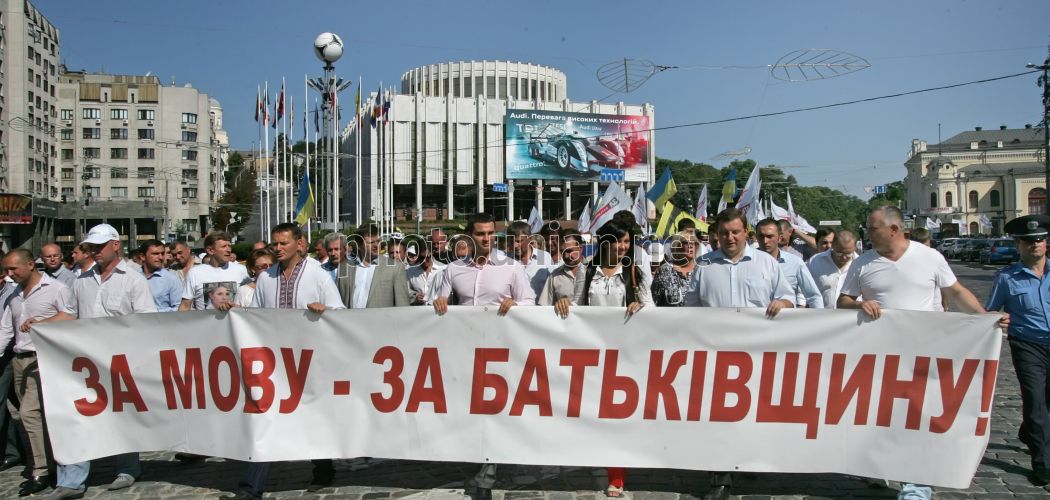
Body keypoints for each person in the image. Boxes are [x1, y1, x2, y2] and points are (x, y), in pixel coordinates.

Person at [837, 205, 999, 500]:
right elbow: (842, 300)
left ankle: (916, 484)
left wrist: (985, 317)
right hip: (879, 357)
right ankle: (877, 466)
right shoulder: (863, 263)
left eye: (872, 229)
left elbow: (957, 292)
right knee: (882, 416)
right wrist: (858, 304)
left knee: (918, 420)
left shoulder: (930, 257)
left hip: (925, 356)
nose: (867, 234)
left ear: (893, 230)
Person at [683, 208, 795, 500]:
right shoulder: (704, 264)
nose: (729, 238)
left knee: (749, 414)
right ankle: (720, 479)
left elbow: (788, 296)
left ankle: (748, 458)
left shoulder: (767, 264)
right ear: (716, 235)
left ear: (746, 232)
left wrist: (783, 302)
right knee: (717, 416)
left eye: (735, 232)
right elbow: (689, 307)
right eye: (724, 233)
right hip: (715, 355)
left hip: (755, 354)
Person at [231, 223, 345, 499]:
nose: (278, 248)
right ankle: (251, 488)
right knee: (265, 420)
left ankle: (323, 468)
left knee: (311, 418)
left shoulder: (317, 274)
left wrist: (324, 310)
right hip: (273, 362)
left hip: (308, 360)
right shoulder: (267, 278)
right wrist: (233, 312)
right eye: (275, 244)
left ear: (299, 243)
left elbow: (340, 311)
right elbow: (256, 316)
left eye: (284, 243)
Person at [42, 223, 157, 499]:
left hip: (122, 360)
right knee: (78, 416)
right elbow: (70, 314)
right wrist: (41, 325)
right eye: (91, 247)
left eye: (99, 246)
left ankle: (128, 468)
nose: (94, 252)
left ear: (116, 245)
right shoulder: (81, 279)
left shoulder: (133, 280)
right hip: (86, 362)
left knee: (122, 416)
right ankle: (72, 480)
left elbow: (147, 321)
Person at [432, 213, 535, 500]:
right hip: (464, 350)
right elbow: (440, 304)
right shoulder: (453, 270)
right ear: (469, 236)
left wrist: (517, 304)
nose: (487, 239)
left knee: (494, 409)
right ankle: (480, 459)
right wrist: (439, 301)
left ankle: (487, 475)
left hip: (501, 351)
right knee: (472, 409)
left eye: (491, 233)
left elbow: (530, 302)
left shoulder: (512, 268)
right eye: (480, 234)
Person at [554, 221, 651, 498]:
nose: (622, 247)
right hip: (594, 354)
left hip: (626, 355)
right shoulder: (588, 271)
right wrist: (564, 304)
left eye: (626, 242)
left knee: (617, 417)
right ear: (603, 243)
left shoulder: (635, 271)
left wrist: (640, 307)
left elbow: (652, 309)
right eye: (617, 241)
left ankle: (617, 476)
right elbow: (578, 303)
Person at [984, 214, 1050, 486]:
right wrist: (997, 320)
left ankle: (1027, 431)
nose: (1035, 245)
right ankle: (1043, 464)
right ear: (1018, 245)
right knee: (1035, 403)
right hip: (1027, 345)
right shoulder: (1007, 278)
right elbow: (990, 312)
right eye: (1028, 241)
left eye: (1040, 240)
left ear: (1046, 244)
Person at [0, 249, 72, 496]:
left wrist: (44, 323)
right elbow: (6, 331)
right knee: (37, 415)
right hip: (20, 360)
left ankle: (40, 469)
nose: (9, 274)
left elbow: (71, 318)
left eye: (13, 269)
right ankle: (51, 462)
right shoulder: (14, 294)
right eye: (6, 270)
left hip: (44, 359)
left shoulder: (56, 289)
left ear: (31, 265)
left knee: (28, 413)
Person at [336, 224, 410, 309]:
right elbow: (336, 302)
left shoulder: (395, 268)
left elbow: (402, 305)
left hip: (380, 321)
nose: (376, 245)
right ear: (359, 245)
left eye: (378, 241)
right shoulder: (344, 268)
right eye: (371, 242)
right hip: (349, 321)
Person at [755, 218, 824, 308]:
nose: (765, 241)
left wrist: (819, 319)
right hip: (756, 319)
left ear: (779, 238)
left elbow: (814, 296)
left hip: (786, 319)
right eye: (761, 236)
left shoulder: (795, 263)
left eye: (769, 236)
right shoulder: (747, 262)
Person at [178, 232, 250, 311]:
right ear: (210, 250)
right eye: (223, 246)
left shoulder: (241, 270)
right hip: (204, 322)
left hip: (233, 322)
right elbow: (185, 306)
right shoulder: (195, 273)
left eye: (229, 246)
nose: (229, 250)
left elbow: (249, 302)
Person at [806, 231, 858, 309]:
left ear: (855, 248)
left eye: (848, 254)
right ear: (833, 245)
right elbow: (804, 288)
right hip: (820, 316)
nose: (844, 257)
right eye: (839, 253)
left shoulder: (861, 264)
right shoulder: (815, 261)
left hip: (851, 317)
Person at [651, 231, 700, 307]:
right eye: (685, 242)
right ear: (676, 246)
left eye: (693, 242)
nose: (691, 245)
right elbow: (653, 302)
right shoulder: (664, 271)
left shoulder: (701, 270)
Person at [506, 221, 553, 297]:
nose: (514, 245)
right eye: (511, 242)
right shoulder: (506, 259)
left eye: (518, 241)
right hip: (516, 308)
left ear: (530, 239)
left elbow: (553, 285)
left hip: (541, 308)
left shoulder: (544, 257)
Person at [537, 228, 583, 306]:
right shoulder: (554, 277)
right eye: (562, 251)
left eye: (569, 251)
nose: (566, 256)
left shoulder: (593, 272)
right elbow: (544, 307)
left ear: (580, 248)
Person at [140, 239, 182, 312]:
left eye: (162, 254)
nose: (161, 257)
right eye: (155, 254)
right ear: (143, 256)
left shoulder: (171, 279)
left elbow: (179, 308)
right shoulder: (133, 276)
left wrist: (155, 312)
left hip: (160, 322)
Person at [406, 236, 446, 306]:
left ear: (432, 253)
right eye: (422, 258)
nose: (424, 261)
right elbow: (405, 290)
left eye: (427, 257)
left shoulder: (444, 269)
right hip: (418, 313)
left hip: (439, 312)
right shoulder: (409, 271)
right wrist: (415, 297)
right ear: (417, 255)